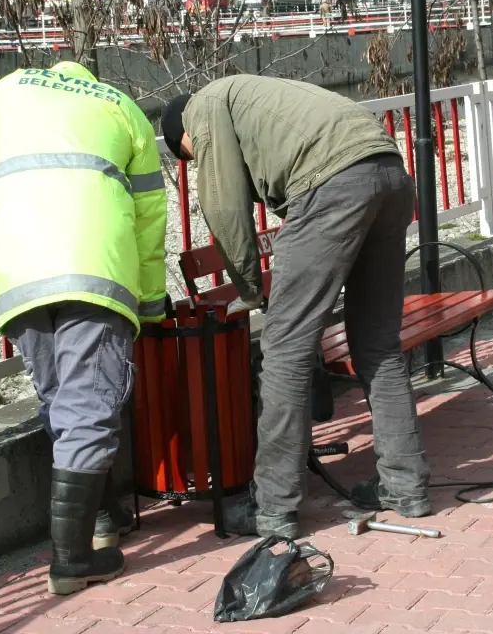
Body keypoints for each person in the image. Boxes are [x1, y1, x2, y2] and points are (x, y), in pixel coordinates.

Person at [160, 75, 432, 539]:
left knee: (284, 355)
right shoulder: (250, 93)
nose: (194, 160)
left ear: (181, 135)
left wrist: (251, 291)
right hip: (389, 173)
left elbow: (224, 207)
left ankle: (273, 509)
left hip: (334, 184)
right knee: (378, 344)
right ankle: (405, 486)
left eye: (189, 156)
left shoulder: (202, 107)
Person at [0, 61, 168, 595]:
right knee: (91, 406)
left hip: (20, 271)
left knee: (61, 400)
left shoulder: (7, 90)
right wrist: (149, 303)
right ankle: (72, 560)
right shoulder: (122, 109)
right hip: (96, 266)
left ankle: (100, 517)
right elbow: (149, 216)